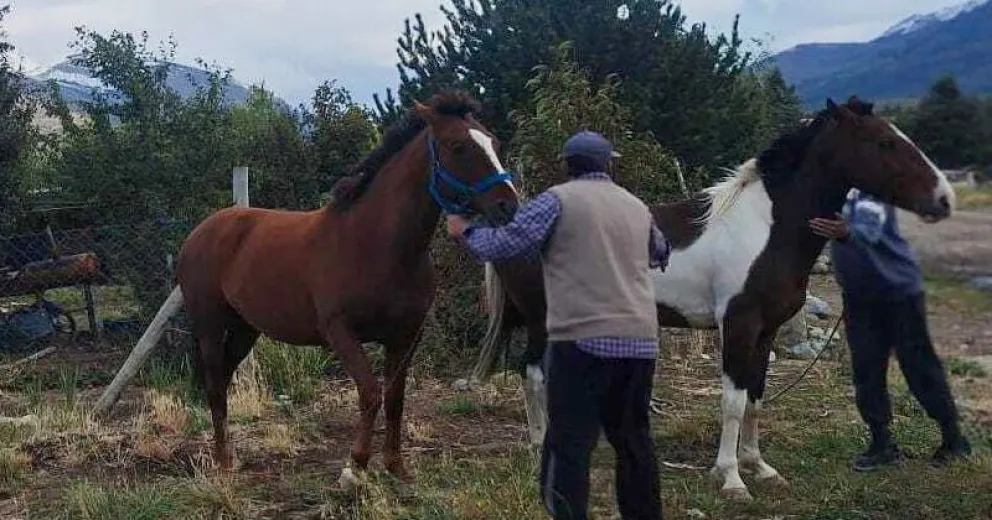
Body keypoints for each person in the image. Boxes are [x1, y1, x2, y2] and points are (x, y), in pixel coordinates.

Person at [446, 130, 670, 520]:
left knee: (569, 443)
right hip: (640, 341)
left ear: (567, 166)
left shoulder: (557, 200)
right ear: (609, 164)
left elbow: (505, 245)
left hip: (580, 341)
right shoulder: (637, 206)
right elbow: (660, 252)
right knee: (634, 441)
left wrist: (464, 230)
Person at [809, 188, 972, 472]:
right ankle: (882, 443)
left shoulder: (876, 191)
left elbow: (869, 231)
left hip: (898, 294)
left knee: (919, 367)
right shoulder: (838, 191)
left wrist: (847, 232)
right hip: (859, 297)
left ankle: (953, 438)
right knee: (866, 369)